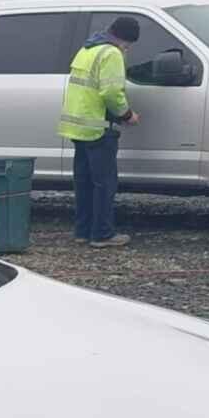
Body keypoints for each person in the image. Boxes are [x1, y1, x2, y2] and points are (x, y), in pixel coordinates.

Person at [58, 16, 142, 248]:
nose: (128, 49)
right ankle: (102, 234)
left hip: (78, 127)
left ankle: (83, 231)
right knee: (104, 184)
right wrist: (128, 115)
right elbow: (111, 93)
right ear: (125, 39)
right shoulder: (111, 53)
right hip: (99, 128)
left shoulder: (87, 49)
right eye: (129, 44)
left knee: (84, 183)